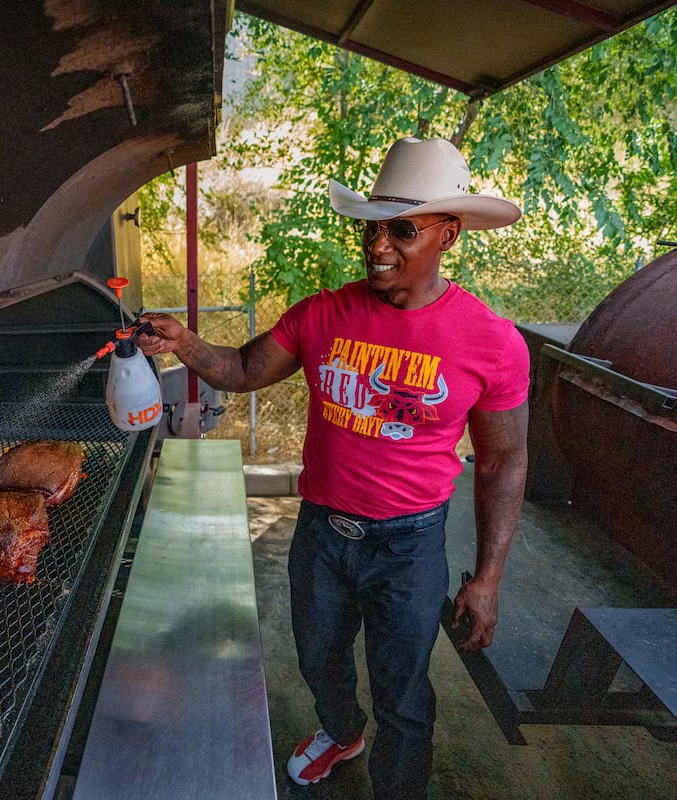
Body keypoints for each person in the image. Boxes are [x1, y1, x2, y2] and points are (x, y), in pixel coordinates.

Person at [136, 137, 529, 800]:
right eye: (372, 228)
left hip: (409, 546)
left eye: (402, 231)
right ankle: (342, 731)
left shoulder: (490, 341)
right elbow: (240, 370)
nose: (378, 246)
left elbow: (503, 459)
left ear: (449, 235)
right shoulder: (323, 314)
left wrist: (487, 578)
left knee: (403, 691)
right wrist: (183, 342)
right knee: (318, 659)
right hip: (322, 533)